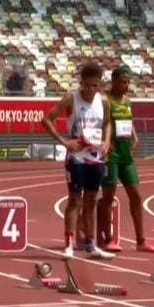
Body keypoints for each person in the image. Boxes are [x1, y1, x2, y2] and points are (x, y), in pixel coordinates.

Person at [42, 62, 114, 260]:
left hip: (96, 158)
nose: (90, 89)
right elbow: (47, 119)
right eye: (87, 85)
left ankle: (90, 244)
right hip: (76, 158)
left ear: (99, 85)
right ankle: (68, 245)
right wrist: (64, 142)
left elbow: (107, 123)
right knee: (75, 200)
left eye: (95, 86)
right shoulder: (70, 99)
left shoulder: (104, 101)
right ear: (81, 83)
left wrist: (107, 142)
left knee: (91, 202)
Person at [100, 67, 154, 253]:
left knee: (136, 195)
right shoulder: (104, 100)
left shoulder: (127, 101)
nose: (126, 86)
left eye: (128, 82)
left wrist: (135, 137)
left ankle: (141, 241)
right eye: (122, 82)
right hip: (111, 155)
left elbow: (129, 121)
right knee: (108, 197)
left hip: (126, 156)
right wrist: (104, 141)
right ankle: (107, 239)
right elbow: (101, 122)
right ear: (113, 81)